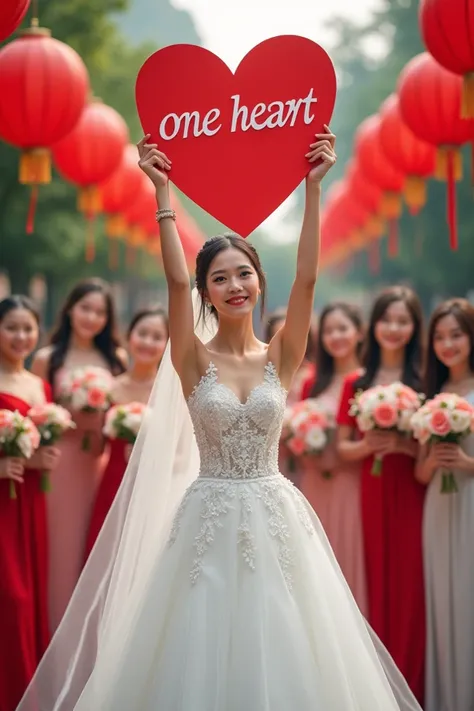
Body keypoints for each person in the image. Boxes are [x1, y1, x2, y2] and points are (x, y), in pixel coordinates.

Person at [17, 130, 421, 711]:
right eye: (221, 278)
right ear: (208, 292)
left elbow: (307, 279)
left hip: (275, 515)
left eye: (245, 274)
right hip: (206, 515)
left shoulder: (282, 354)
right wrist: (162, 191)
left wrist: (313, 190)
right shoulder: (190, 359)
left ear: (259, 283)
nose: (235, 286)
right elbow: (175, 281)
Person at [336, 287, 426, 704]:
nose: (393, 328)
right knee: (369, 582)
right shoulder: (357, 382)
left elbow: (428, 450)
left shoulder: (425, 380)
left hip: (413, 492)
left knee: (411, 587)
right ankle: (374, 687)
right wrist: (371, 445)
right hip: (369, 494)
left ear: (413, 328)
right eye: (386, 320)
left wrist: (405, 447)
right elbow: (344, 448)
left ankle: (412, 682)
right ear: (372, 326)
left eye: (402, 321)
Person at [32, 278, 127, 633]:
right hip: (60, 465)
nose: (91, 317)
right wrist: (66, 416)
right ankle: (52, 635)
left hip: (98, 466)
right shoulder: (47, 359)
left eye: (100, 312)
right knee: (61, 550)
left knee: (94, 549)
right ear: (70, 309)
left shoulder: (114, 359)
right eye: (85, 308)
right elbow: (36, 415)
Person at [0, 296, 60, 710]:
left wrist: (43, 458)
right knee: (12, 599)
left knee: (33, 595)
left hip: (31, 503)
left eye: (28, 328)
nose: (21, 336)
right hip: (3, 503)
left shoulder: (40, 384)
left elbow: (42, 442)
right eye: (11, 328)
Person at [417, 298, 474, 711]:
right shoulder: (432, 394)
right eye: (439, 337)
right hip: (438, 504)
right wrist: (435, 460)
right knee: (443, 604)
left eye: (456, 335)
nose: (448, 344)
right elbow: (420, 473)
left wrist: (467, 463)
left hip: (470, 501)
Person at [299, 301, 367, 613]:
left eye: (343, 328)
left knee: (350, 559)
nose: (336, 336)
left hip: (352, 483)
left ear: (359, 332)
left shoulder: (368, 382)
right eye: (328, 331)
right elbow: (291, 432)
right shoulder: (312, 384)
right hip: (314, 482)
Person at [85, 306, 169, 558]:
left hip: (155, 486)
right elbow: (97, 445)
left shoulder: (170, 394)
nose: (148, 342)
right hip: (113, 482)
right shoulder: (109, 388)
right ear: (128, 336)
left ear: (167, 344)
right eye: (142, 333)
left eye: (157, 337)